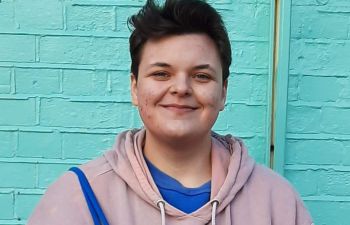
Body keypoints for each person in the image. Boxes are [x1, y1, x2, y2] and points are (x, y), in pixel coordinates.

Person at [28, 0, 313, 225]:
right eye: (161, 73)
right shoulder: (80, 197)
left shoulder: (278, 202)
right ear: (134, 88)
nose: (181, 88)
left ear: (223, 91)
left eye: (201, 76)